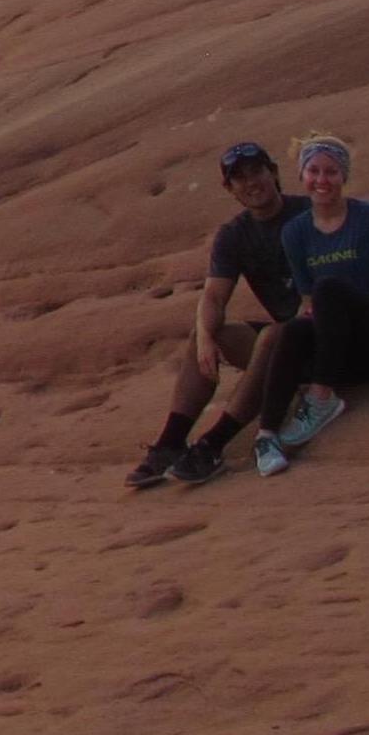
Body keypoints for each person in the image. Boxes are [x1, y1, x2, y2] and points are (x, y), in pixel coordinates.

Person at [251, 132, 369, 476]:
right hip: (357, 354)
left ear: (344, 177)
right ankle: (266, 437)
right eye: (314, 171)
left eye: (331, 172)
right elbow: (307, 302)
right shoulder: (294, 233)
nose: (322, 180)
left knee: (329, 291)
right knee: (294, 329)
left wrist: (341, 307)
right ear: (301, 176)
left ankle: (321, 398)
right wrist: (316, 322)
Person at [126, 141, 303, 489]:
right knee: (210, 332)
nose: (252, 183)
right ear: (230, 189)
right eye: (240, 178)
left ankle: (213, 444)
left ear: (274, 172)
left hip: (320, 336)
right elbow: (213, 295)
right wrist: (206, 337)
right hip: (286, 342)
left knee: (274, 335)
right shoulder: (235, 235)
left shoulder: (307, 215)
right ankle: (171, 443)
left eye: (257, 171)